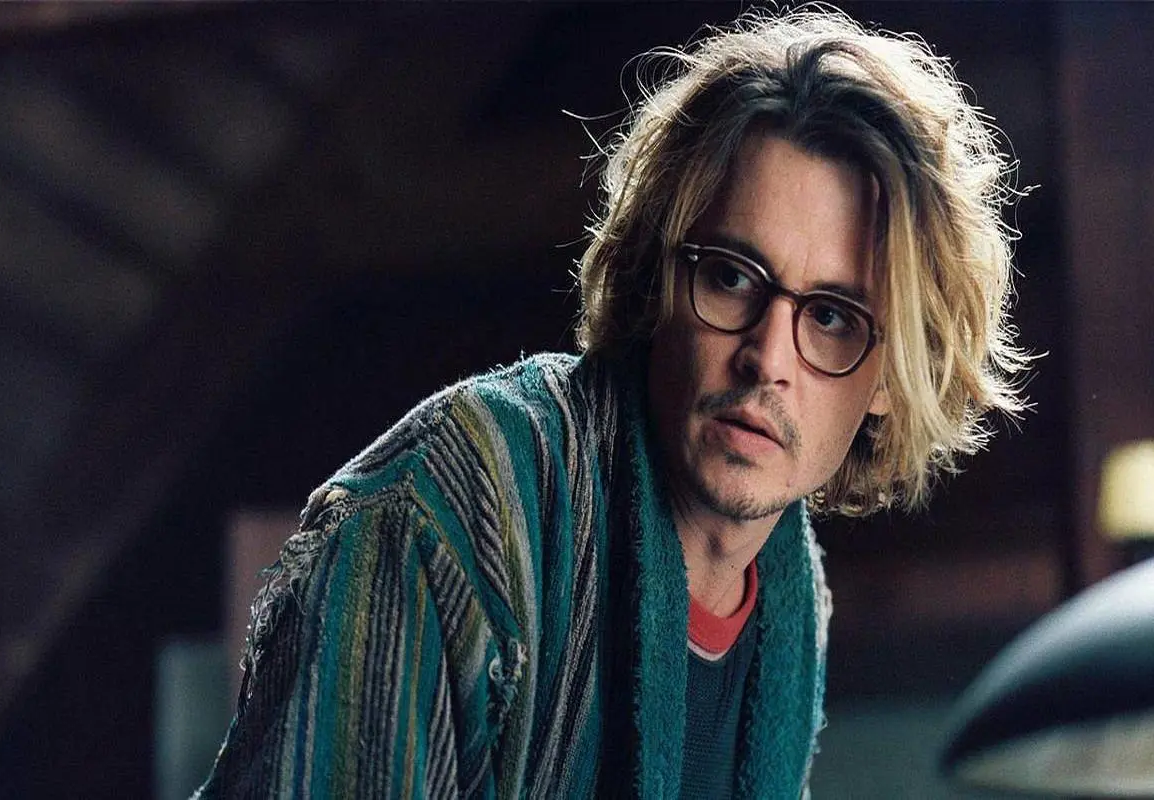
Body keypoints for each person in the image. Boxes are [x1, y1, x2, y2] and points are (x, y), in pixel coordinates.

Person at [195, 6, 1028, 798]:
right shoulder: (457, 507)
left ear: (892, 377)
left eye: (833, 317)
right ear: (658, 273)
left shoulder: (788, 592)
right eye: (730, 276)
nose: (767, 358)